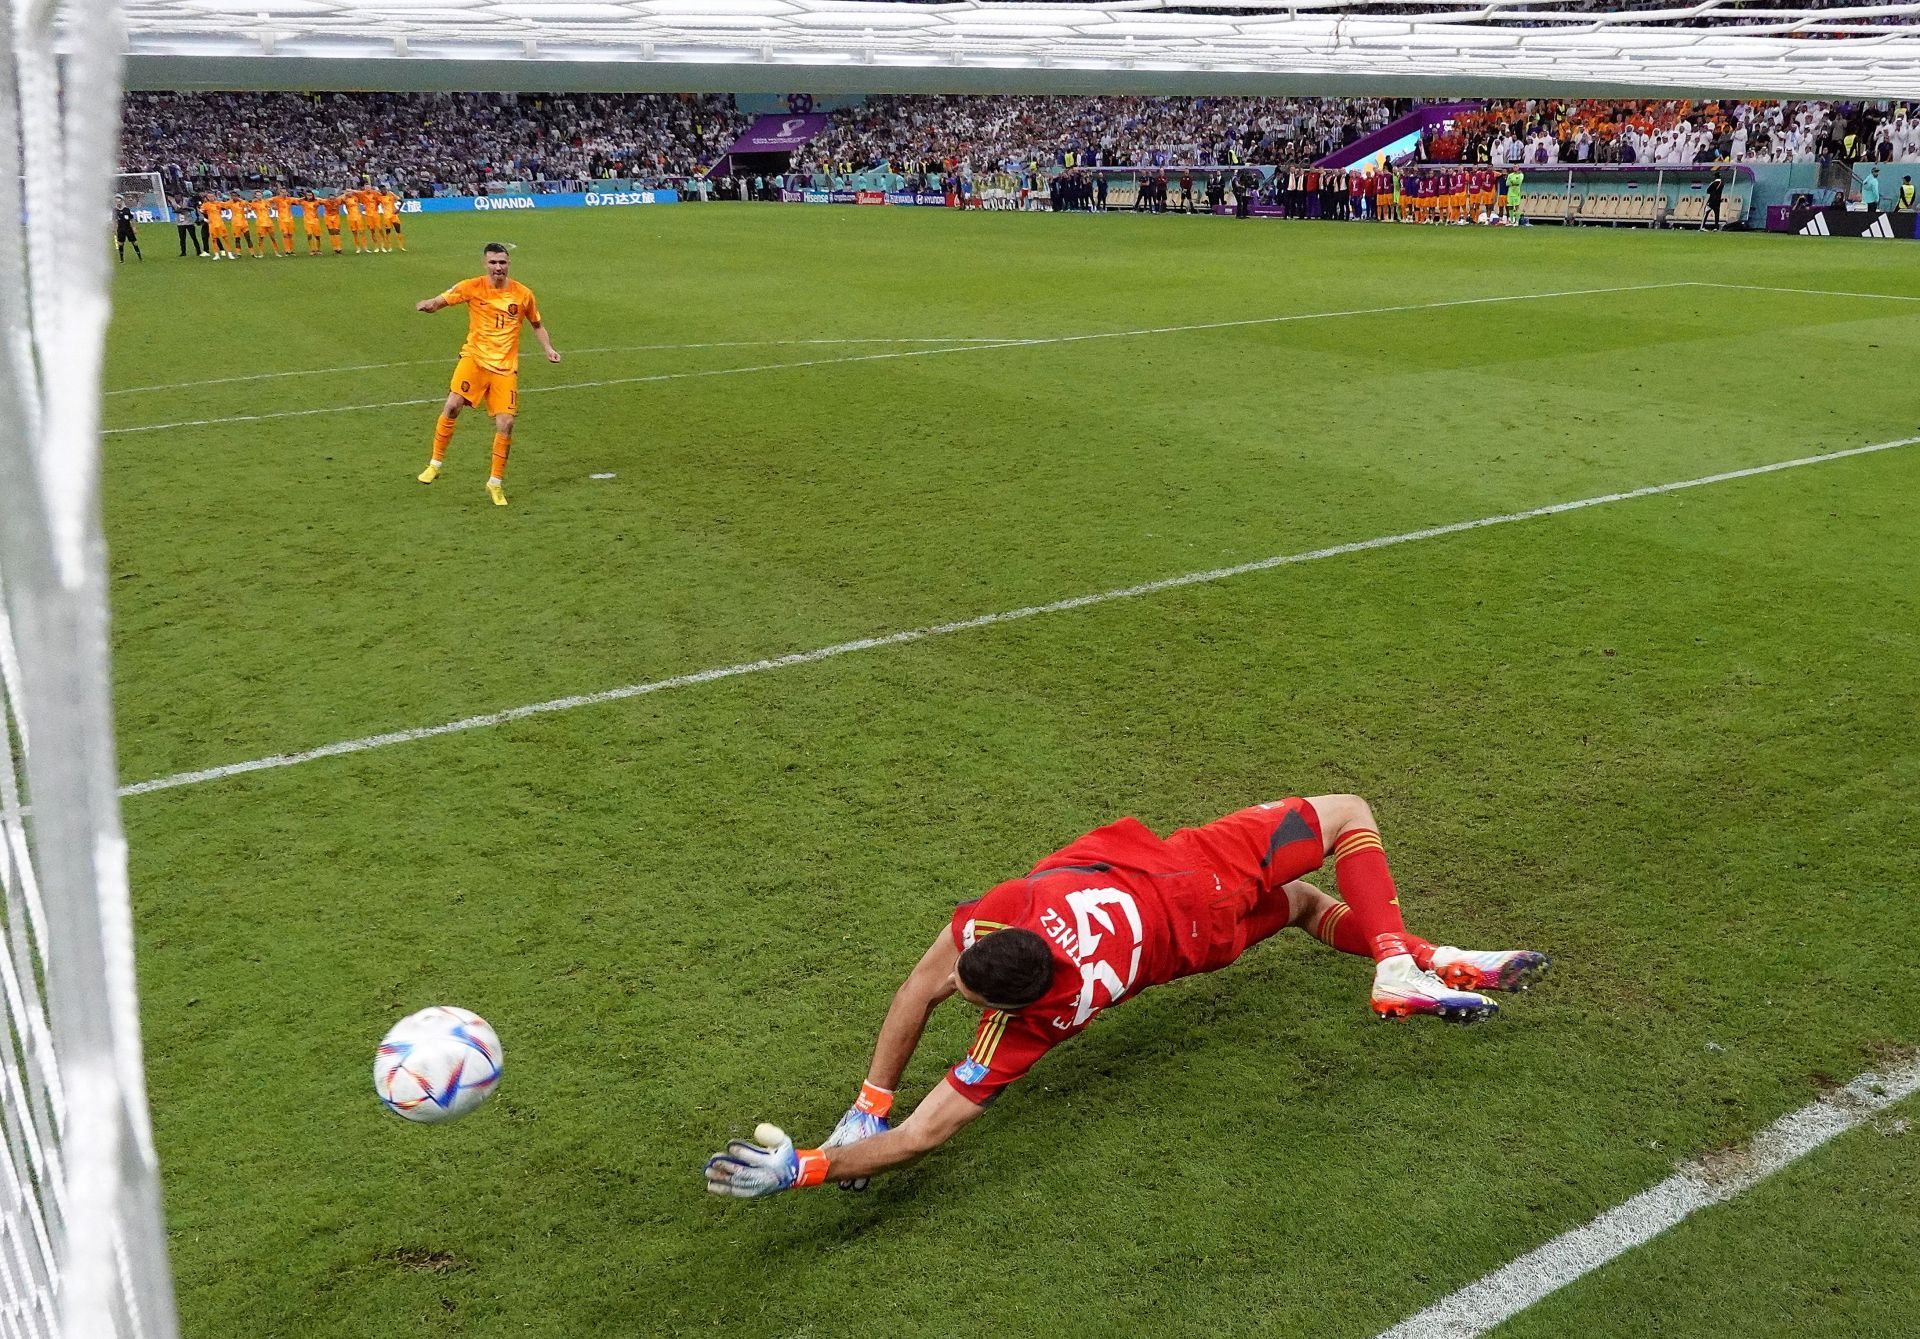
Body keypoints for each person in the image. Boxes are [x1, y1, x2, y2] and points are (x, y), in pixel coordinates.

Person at [704, 793, 1548, 1198]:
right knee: (1348, 816)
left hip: (1192, 945)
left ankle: (1421, 958)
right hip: (1194, 872)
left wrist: (817, 1159)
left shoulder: (1039, 1021)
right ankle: (1404, 959)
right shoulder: (1018, 905)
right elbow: (930, 984)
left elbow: (928, 1127)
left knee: (1300, 907)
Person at [414, 242, 561, 507]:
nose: (498, 267)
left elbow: (537, 325)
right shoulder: (472, 286)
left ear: (509, 264)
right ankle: (435, 464)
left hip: (505, 368)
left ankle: (495, 483)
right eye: (493, 263)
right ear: (485, 264)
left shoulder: (523, 294)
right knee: (452, 405)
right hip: (475, 359)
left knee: (506, 424)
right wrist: (428, 304)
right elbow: (442, 300)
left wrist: (548, 348)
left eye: (502, 262)